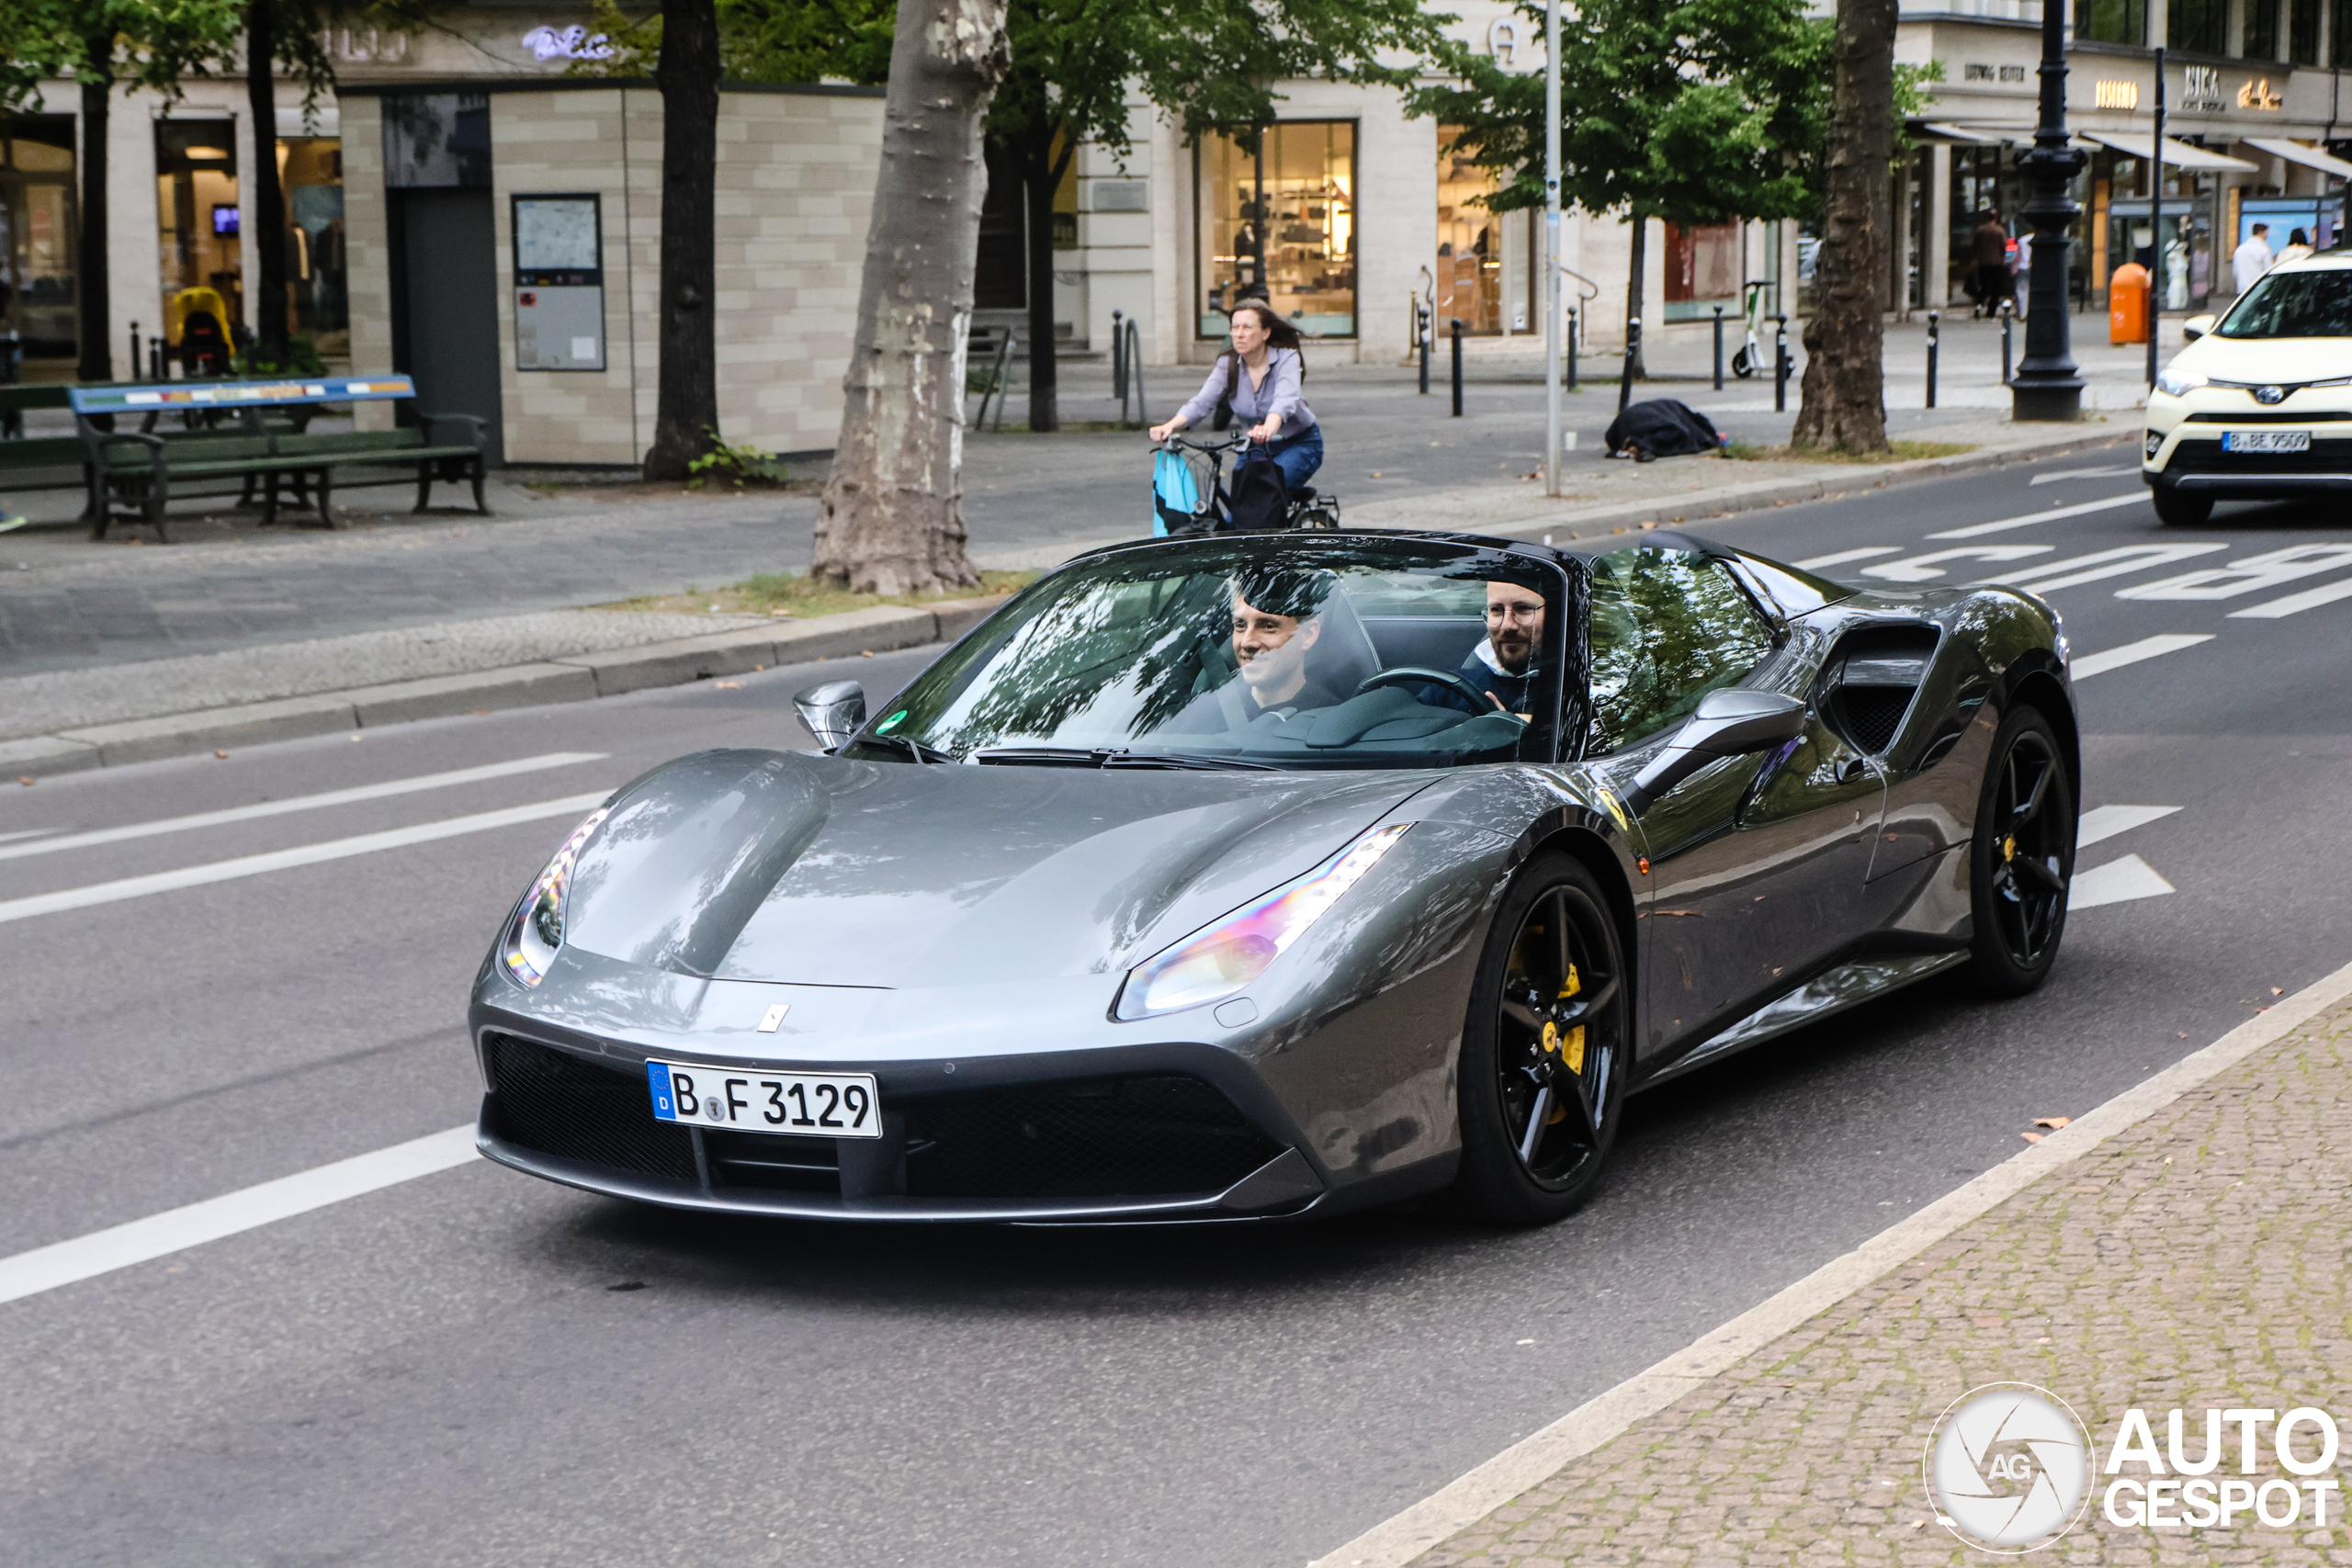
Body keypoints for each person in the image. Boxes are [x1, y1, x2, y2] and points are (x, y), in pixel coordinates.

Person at [1150, 301, 1324, 493]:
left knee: (1266, 496)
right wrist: (1170, 426)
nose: (1239, 334)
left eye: (1247, 327)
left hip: (1298, 443)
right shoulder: (1228, 363)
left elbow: (1285, 399)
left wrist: (1268, 428)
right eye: (1235, 327)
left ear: (1265, 333)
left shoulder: (1287, 357)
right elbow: (1203, 401)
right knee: (1239, 511)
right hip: (1254, 447)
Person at [1225, 567, 1348, 716]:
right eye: (1240, 625)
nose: (1247, 642)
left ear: (1308, 635)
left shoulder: (1331, 720)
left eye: (1268, 626)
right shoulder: (1210, 711)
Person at [1429, 581, 1547, 718]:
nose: (1506, 625)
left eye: (1524, 608)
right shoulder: (1448, 688)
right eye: (1496, 610)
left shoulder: (1572, 700)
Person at [1971, 209, 2013, 317]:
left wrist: (1976, 258)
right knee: (1995, 289)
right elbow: (2005, 246)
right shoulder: (2000, 231)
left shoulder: (1980, 230)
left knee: (1984, 286)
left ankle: (1979, 305)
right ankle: (1991, 313)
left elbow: (1974, 246)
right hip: (1997, 263)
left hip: (1983, 263)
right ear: (1996, 218)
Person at [2233, 222, 2274, 295]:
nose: (2267, 236)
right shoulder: (2264, 249)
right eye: (2266, 233)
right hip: (2259, 289)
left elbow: (2235, 272)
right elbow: (2269, 270)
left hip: (2242, 289)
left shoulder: (2239, 249)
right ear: (2261, 233)